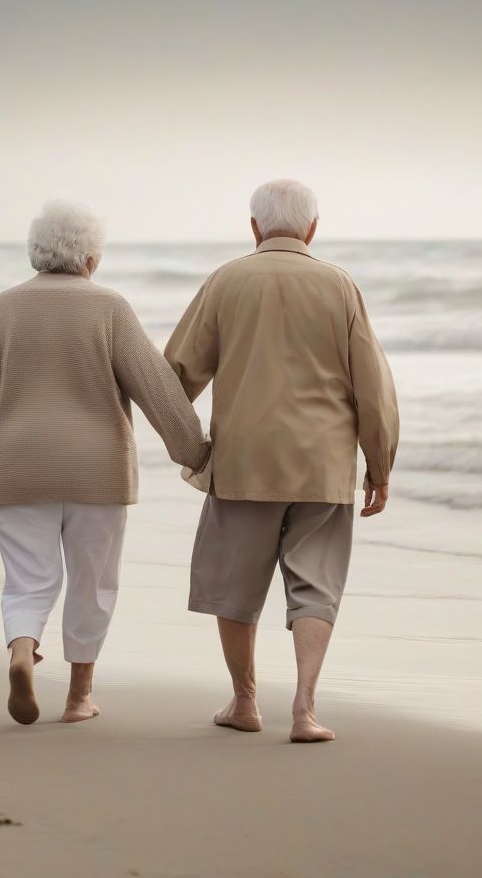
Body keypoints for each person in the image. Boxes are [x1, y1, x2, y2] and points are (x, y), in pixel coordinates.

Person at [0, 201, 210, 725]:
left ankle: (23, 651)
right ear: (91, 257)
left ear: (36, 252)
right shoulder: (109, 307)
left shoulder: (5, 307)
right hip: (98, 472)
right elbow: (156, 388)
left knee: (28, 582)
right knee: (94, 582)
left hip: (15, 467)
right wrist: (196, 454)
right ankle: (78, 699)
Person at [165, 179, 399, 743]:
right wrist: (379, 464)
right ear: (313, 228)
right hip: (321, 465)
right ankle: (305, 708)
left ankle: (245, 702)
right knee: (315, 587)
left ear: (253, 228)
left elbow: (175, 377)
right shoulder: (339, 286)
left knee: (234, 585)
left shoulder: (226, 280)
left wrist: (190, 450)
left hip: (244, 463)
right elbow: (374, 387)